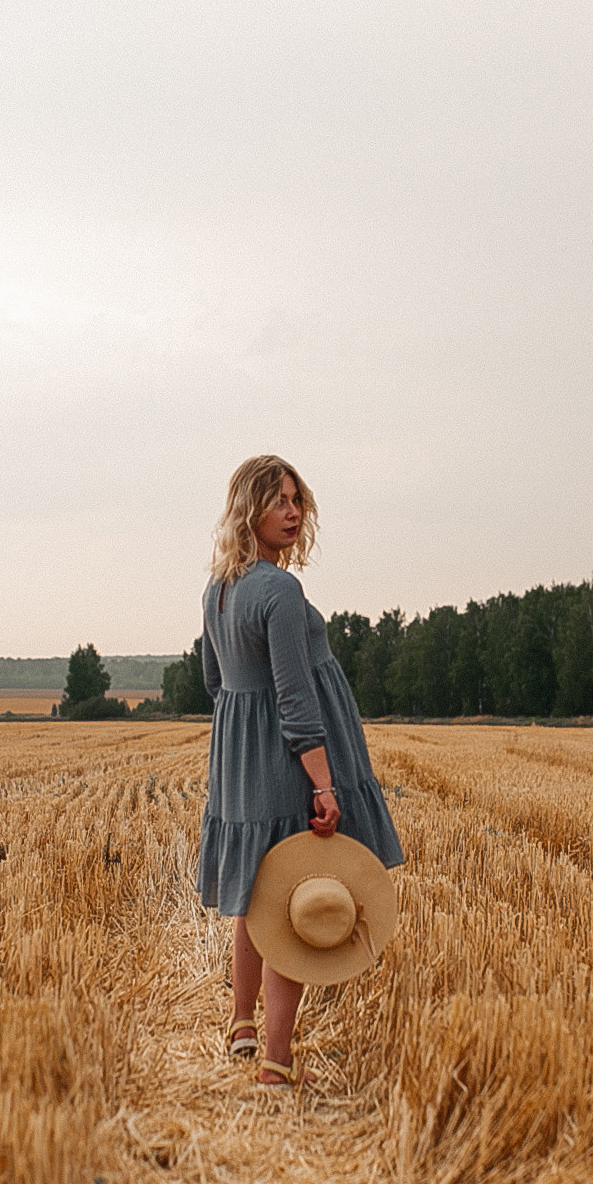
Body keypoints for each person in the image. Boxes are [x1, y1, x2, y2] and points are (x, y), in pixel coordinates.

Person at [195, 455, 405, 1086]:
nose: (291, 512)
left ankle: (241, 1025)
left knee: (257, 893)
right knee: (290, 901)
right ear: (248, 511)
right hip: (285, 761)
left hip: (239, 759)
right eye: (277, 501)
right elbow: (294, 698)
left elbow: (215, 681)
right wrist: (322, 780)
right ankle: (277, 1065)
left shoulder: (219, 589)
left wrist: (244, 733)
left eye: (295, 500)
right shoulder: (279, 591)